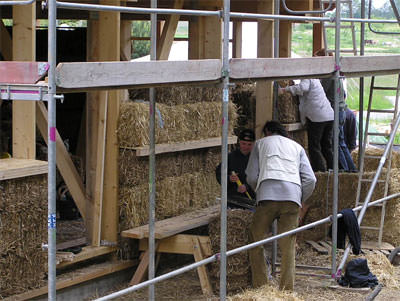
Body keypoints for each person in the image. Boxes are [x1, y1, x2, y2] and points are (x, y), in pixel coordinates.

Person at [246, 121, 316, 290]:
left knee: (255, 240)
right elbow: (311, 179)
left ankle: (261, 286)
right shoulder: (297, 147)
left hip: (267, 195)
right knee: (288, 245)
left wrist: (260, 191)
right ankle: (286, 289)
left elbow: (250, 175)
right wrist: (298, 199)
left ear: (268, 132)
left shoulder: (261, 144)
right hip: (292, 198)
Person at [279, 79, 334, 172]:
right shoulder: (316, 80)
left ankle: (319, 172)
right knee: (326, 146)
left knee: (314, 147)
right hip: (329, 115)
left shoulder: (308, 78)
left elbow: (302, 87)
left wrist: (285, 90)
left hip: (318, 117)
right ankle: (332, 169)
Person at [320, 77, 357, 172]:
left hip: (336, 111)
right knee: (341, 142)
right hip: (341, 110)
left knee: (336, 142)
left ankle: (344, 169)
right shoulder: (337, 77)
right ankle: (351, 169)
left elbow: (321, 91)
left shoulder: (329, 77)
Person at [215, 129, 256, 209]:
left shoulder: (257, 158)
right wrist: (229, 178)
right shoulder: (230, 157)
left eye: (249, 144)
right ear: (239, 142)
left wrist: (247, 186)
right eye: (243, 143)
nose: (246, 147)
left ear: (254, 144)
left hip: (251, 199)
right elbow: (219, 174)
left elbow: (260, 176)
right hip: (233, 199)